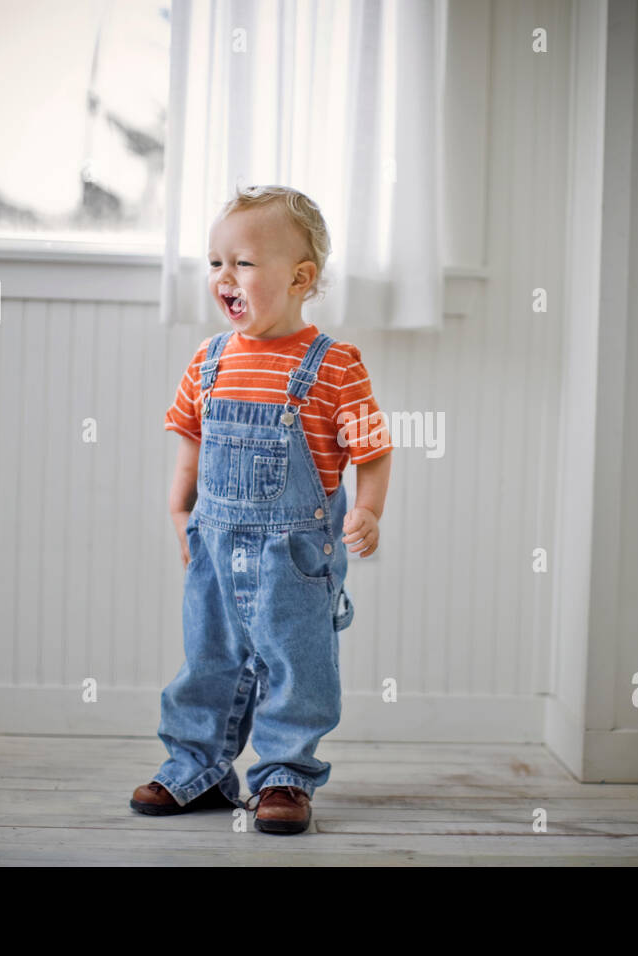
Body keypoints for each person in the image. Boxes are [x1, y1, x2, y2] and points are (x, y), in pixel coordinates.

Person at [130, 184, 392, 834]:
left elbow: (373, 449)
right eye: (215, 262)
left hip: (295, 558)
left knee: (297, 668)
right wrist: (177, 503)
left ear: (301, 277)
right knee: (207, 660)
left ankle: (284, 777)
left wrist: (370, 510)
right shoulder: (209, 360)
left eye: (241, 262)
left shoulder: (334, 365)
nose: (224, 276)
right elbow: (191, 440)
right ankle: (196, 767)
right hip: (214, 547)